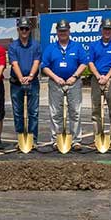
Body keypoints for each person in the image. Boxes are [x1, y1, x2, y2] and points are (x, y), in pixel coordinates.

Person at [42, 19, 87, 150]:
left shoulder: (77, 46)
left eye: (65, 30)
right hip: (56, 83)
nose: (63, 33)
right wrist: (56, 78)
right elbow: (44, 66)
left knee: (75, 112)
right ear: (57, 32)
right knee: (55, 113)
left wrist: (74, 76)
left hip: (74, 83)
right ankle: (56, 140)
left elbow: (83, 63)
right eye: (60, 31)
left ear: (69, 31)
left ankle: (76, 140)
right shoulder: (50, 48)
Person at [88, 18, 111, 150]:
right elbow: (90, 62)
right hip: (96, 79)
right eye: (105, 29)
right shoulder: (94, 45)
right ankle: (97, 137)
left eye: (109, 29)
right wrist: (98, 76)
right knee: (96, 110)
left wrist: (107, 77)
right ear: (101, 30)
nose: (107, 31)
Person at [8, 18, 41, 145]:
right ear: (18, 30)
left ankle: (33, 139)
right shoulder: (13, 46)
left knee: (33, 112)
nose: (24, 31)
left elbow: (36, 62)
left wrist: (31, 76)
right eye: (22, 28)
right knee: (18, 112)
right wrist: (21, 77)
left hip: (33, 82)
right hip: (17, 83)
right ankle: (21, 138)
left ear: (30, 29)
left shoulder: (36, 45)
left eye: (26, 28)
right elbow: (14, 63)